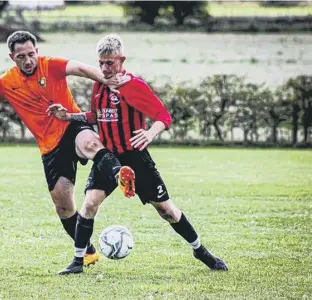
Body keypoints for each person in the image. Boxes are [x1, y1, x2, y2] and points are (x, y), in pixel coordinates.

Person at [0, 31, 136, 267]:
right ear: (12, 57)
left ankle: (119, 174)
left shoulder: (51, 65)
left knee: (89, 142)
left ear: (37, 51)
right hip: (49, 146)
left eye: (31, 54)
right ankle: (87, 252)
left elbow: (79, 68)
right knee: (63, 206)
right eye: (21, 56)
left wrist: (106, 79)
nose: (28, 60)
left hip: (71, 123)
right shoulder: (5, 83)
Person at [48, 34, 228, 275]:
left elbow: (163, 116)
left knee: (167, 211)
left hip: (136, 158)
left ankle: (200, 250)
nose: (104, 68)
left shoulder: (133, 86)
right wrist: (69, 116)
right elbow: (96, 116)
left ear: (122, 60)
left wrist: (150, 133)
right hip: (108, 158)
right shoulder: (99, 85)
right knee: (89, 204)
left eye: (109, 63)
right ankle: (78, 261)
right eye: (101, 63)